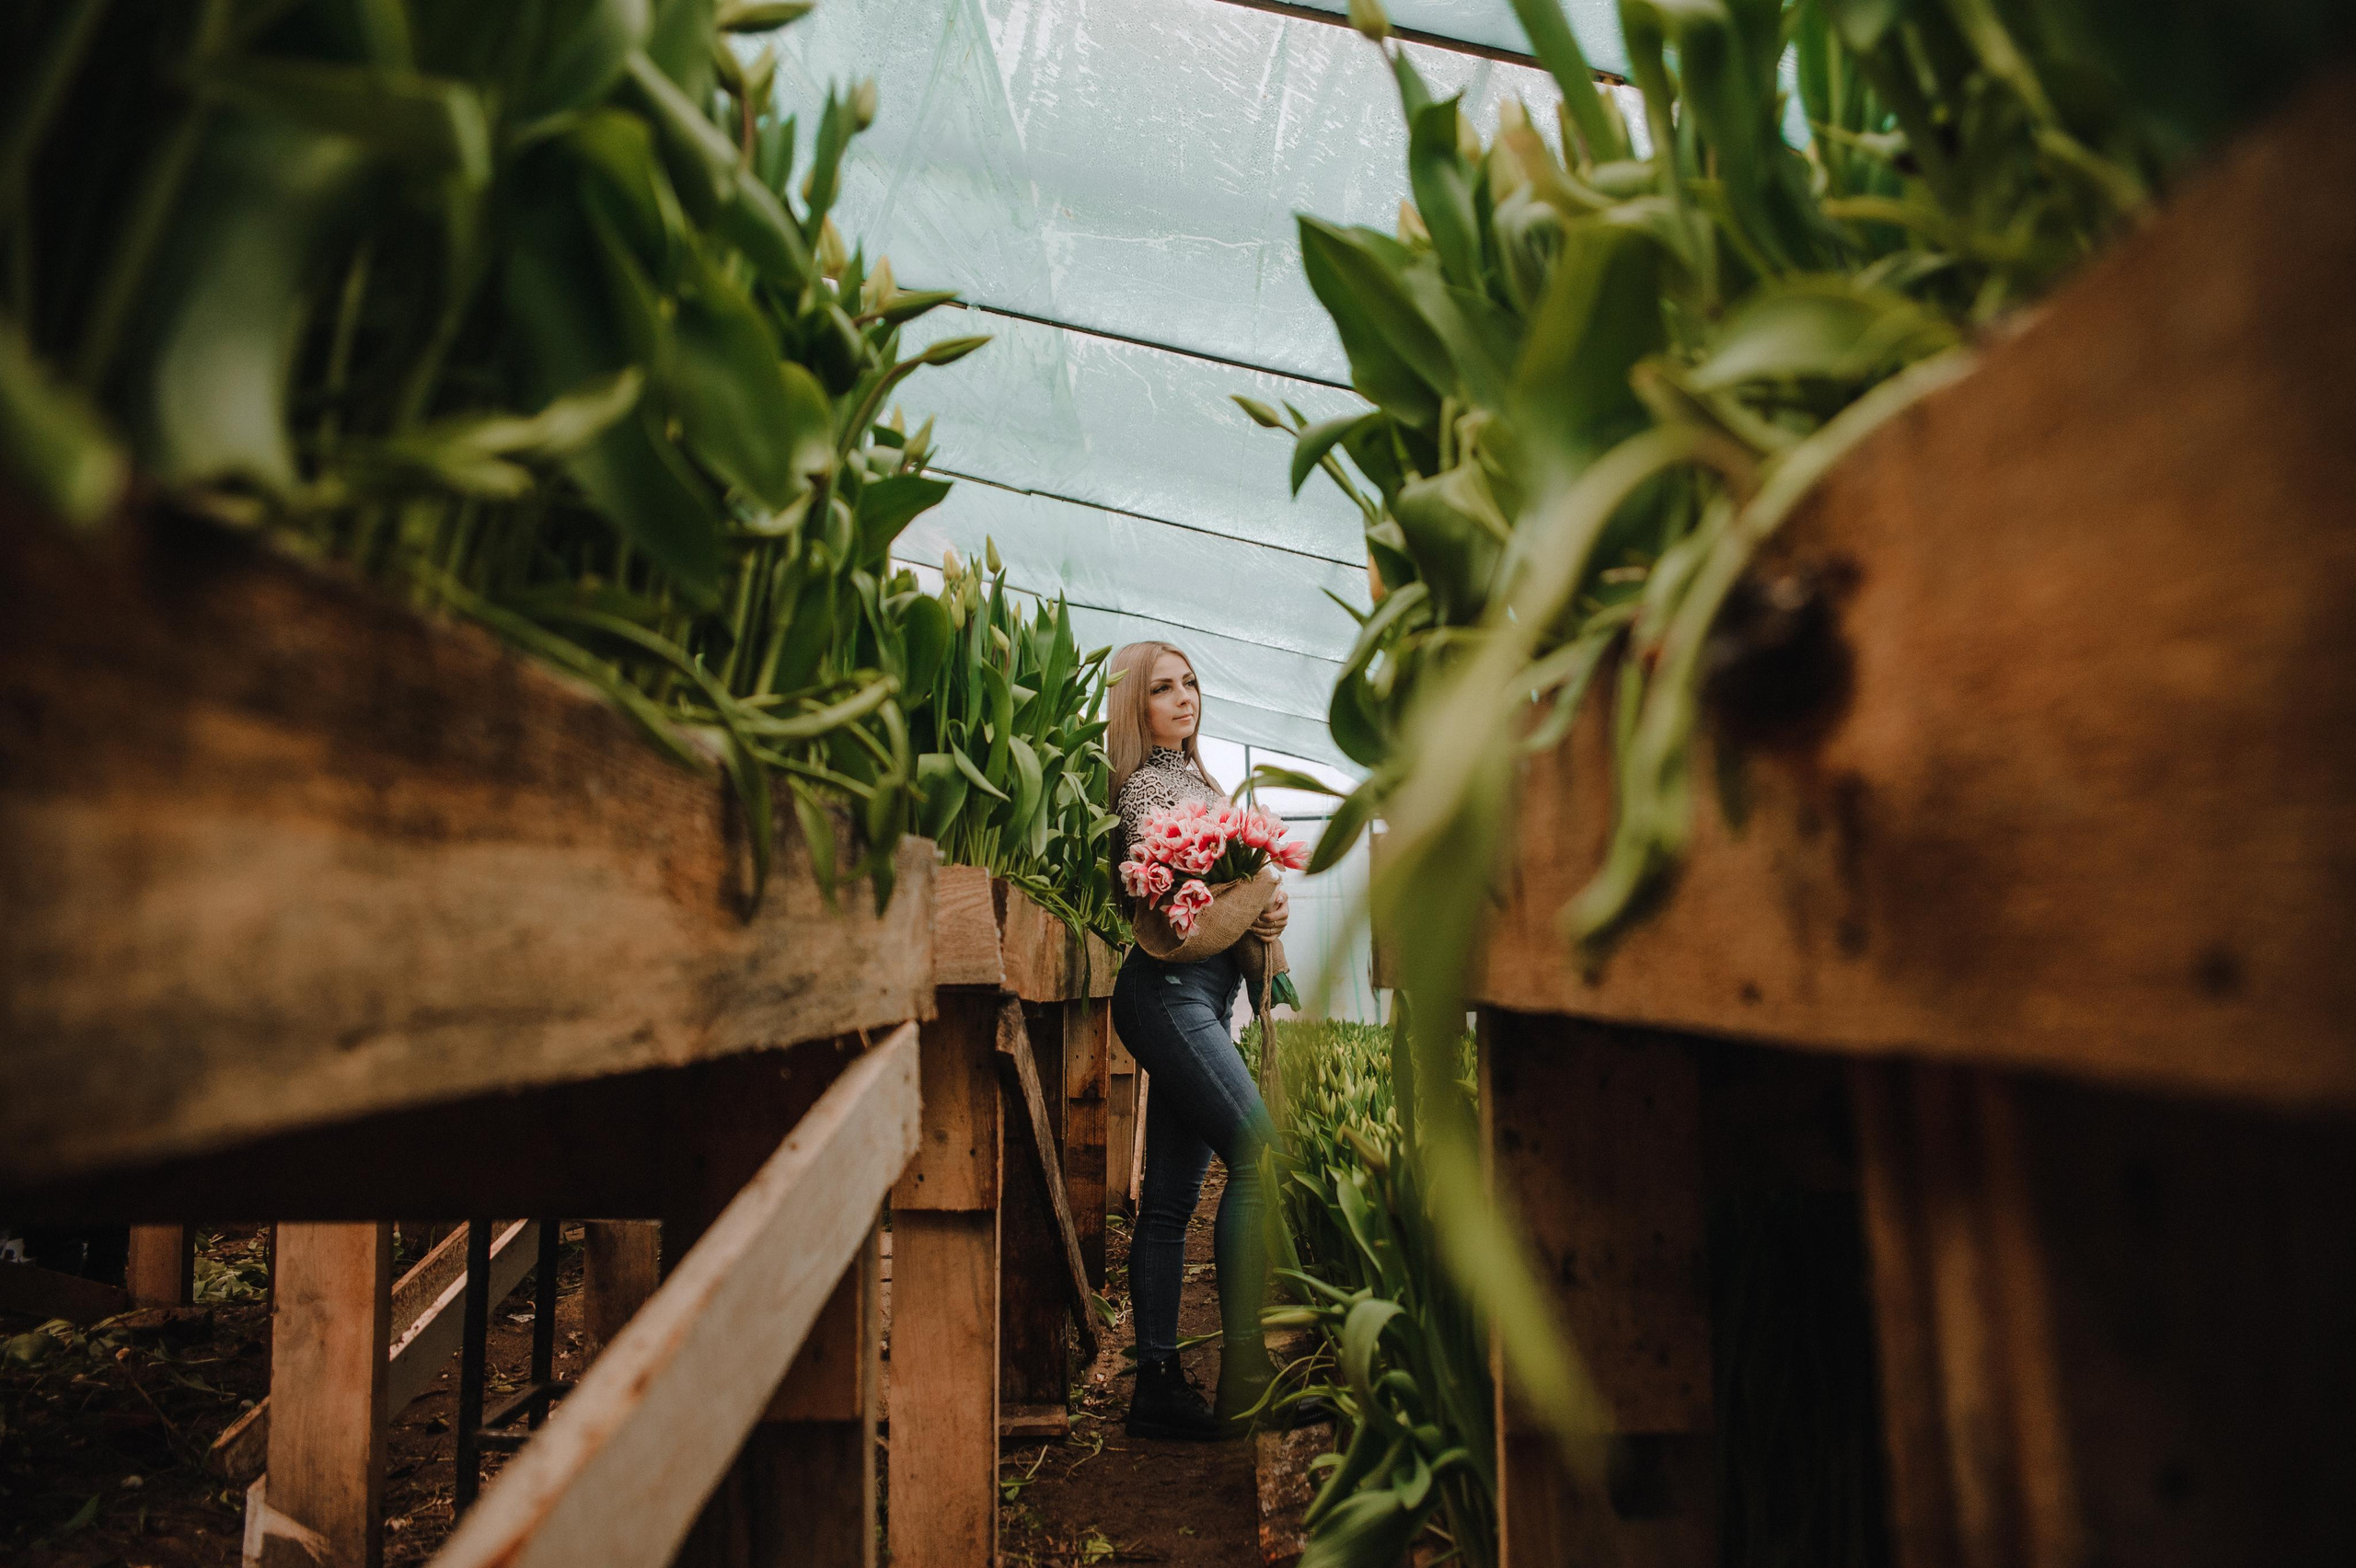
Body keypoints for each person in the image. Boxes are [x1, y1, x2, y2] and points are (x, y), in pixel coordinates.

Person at [1106, 640, 1292, 1440]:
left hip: (1196, 1000)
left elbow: (1222, 892)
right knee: (1258, 1146)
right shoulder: (1147, 786)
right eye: (1162, 689)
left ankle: (1157, 1387)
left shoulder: (1198, 778)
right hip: (1167, 993)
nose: (1184, 698)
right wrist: (1250, 892)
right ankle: (1247, 1371)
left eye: (1190, 684)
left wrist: (1260, 905)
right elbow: (1176, 897)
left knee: (1175, 1198)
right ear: (1134, 707)